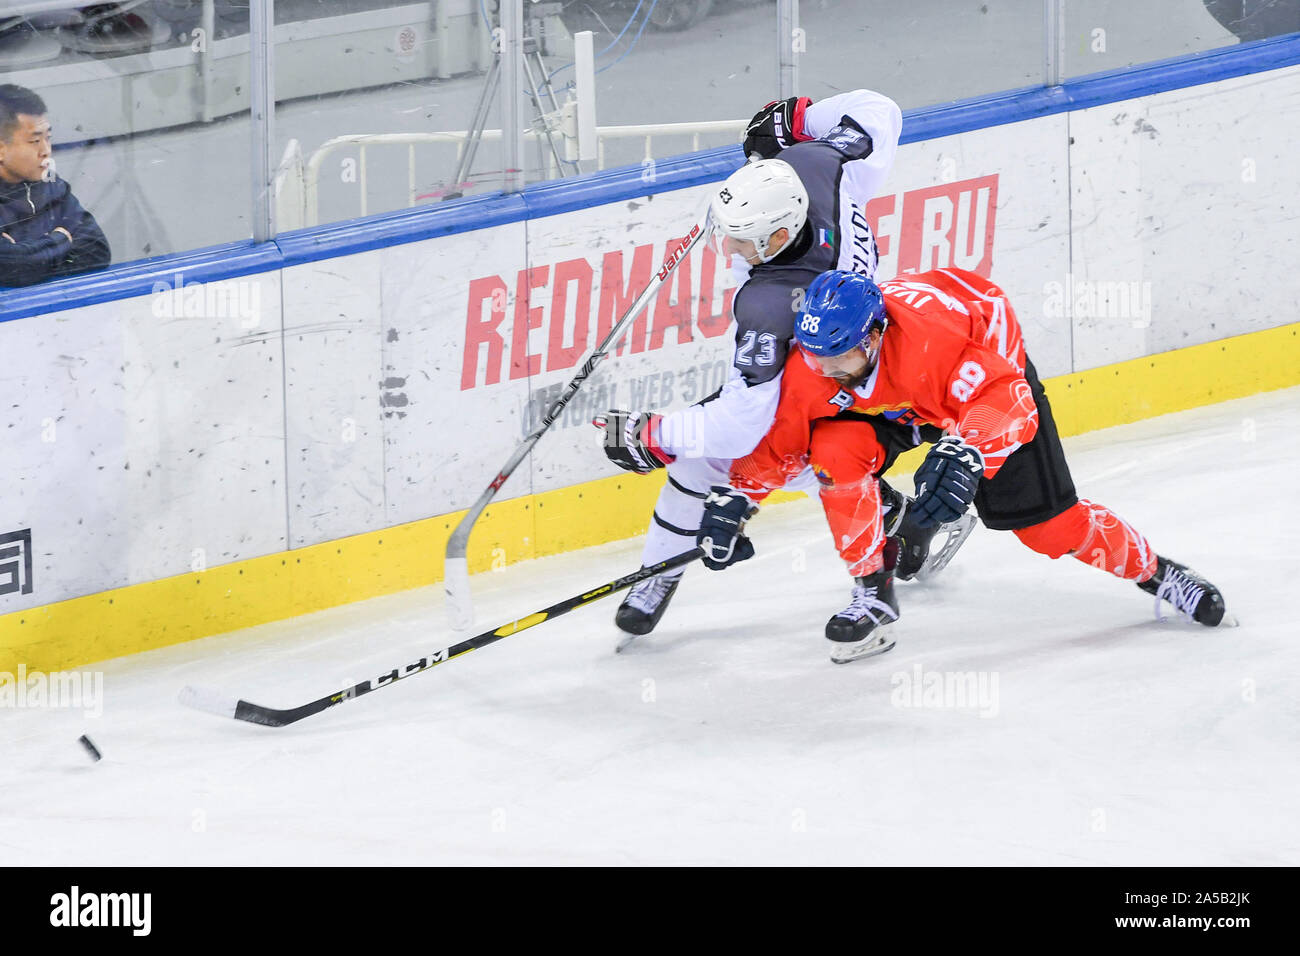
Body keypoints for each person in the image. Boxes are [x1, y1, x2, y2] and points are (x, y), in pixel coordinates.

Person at [694, 267, 1230, 663]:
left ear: (876, 335)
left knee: (1046, 530)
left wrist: (968, 451)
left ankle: (1158, 574)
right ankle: (873, 593)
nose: (827, 373)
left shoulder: (933, 344)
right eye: (817, 359)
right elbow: (780, 443)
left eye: (840, 359)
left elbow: (1009, 399)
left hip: (983, 385)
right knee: (834, 452)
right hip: (905, 398)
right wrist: (736, 501)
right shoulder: (821, 361)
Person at [596, 89, 969, 642]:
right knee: (801, 462)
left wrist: (653, 435)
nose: (734, 252)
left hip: (828, 381)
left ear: (777, 235)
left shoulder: (770, 304)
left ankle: (660, 572)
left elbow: (743, 421)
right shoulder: (818, 164)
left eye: (744, 241)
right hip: (860, 360)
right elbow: (878, 110)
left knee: (710, 460)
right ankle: (894, 516)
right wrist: (797, 121)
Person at [0, 84, 110, 288]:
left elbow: (98, 250)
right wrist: (61, 239)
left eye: (48, 138)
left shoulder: (51, 186)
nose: (46, 151)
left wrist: (29, 255)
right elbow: (11, 268)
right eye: (34, 141)